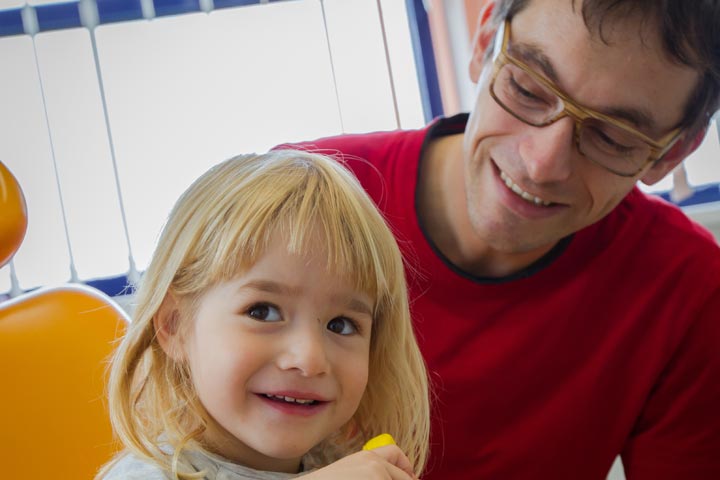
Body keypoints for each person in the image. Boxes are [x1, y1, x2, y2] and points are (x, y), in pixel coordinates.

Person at [277, 0, 720, 478]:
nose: (541, 164)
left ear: (672, 154)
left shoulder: (689, 291)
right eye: (527, 89)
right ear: (486, 41)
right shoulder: (298, 201)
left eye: (613, 138)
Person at [97, 151, 430, 480]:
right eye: (263, 312)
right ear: (176, 325)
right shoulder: (147, 474)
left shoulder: (339, 464)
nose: (309, 359)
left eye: (340, 325)